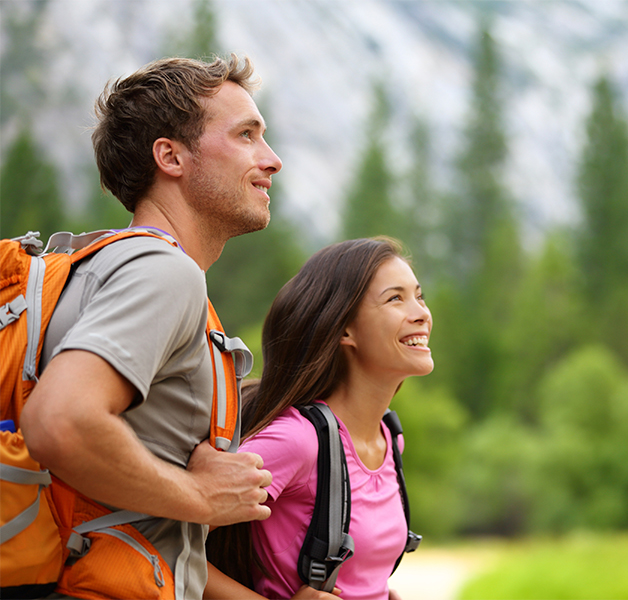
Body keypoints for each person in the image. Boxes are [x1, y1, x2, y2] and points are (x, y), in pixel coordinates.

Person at [19, 54, 279, 599]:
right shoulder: (165, 272)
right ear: (171, 157)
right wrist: (201, 496)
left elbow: (151, 534)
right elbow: (60, 421)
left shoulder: (99, 265)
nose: (271, 159)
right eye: (247, 135)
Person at [205, 237, 433, 600]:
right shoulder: (297, 442)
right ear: (345, 330)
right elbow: (169, 542)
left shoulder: (390, 436)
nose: (421, 312)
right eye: (395, 298)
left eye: (419, 296)